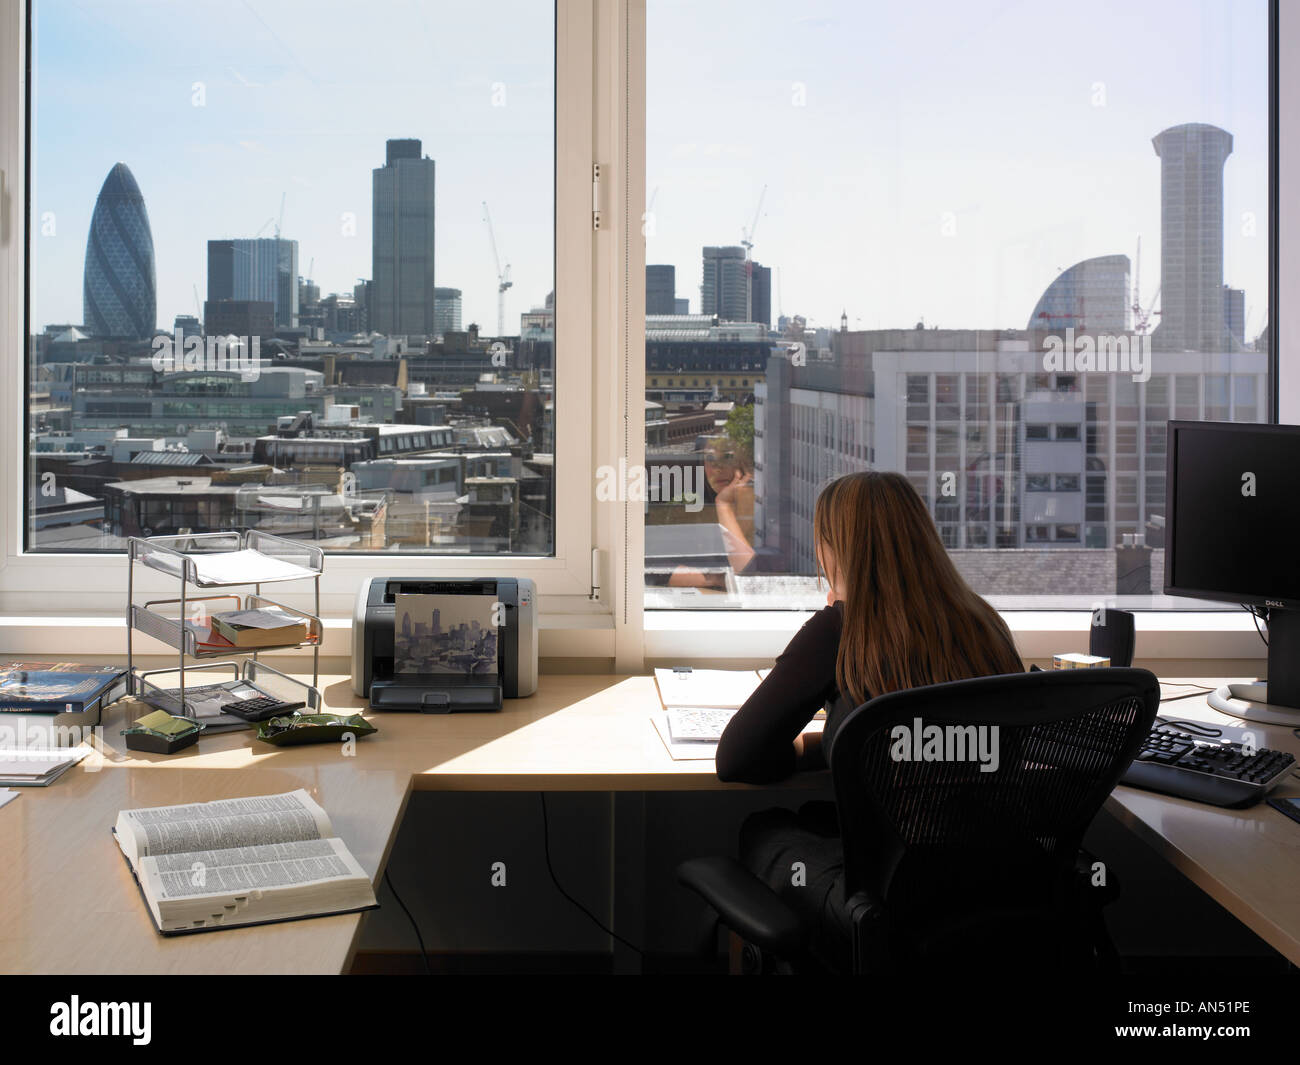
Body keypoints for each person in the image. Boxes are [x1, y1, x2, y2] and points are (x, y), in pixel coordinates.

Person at [713, 471, 1023, 967]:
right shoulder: (983, 624)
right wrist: (819, 747)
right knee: (820, 821)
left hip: (883, 901)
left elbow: (737, 758)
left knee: (766, 828)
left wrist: (798, 747)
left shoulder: (841, 629)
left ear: (834, 549)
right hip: (1000, 883)